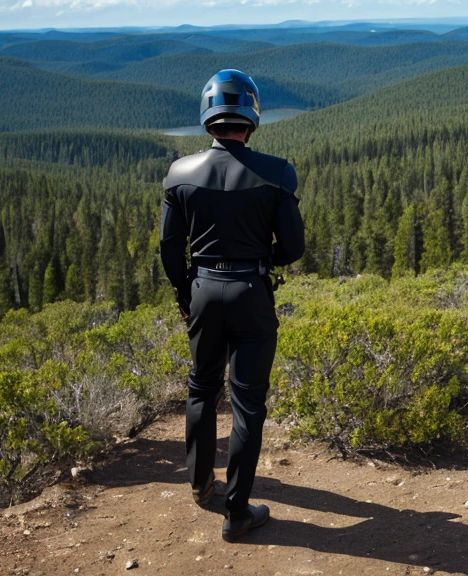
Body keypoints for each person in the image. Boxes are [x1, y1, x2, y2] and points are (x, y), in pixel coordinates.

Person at [159, 69, 305, 542]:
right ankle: (237, 511)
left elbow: (168, 248)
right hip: (251, 292)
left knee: (201, 389)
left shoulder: (180, 175)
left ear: (209, 117)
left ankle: (202, 486)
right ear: (251, 115)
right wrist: (264, 259)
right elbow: (295, 247)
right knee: (247, 404)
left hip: (203, 290)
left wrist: (187, 294)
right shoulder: (277, 173)